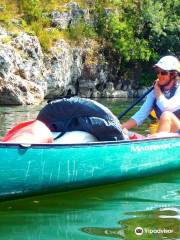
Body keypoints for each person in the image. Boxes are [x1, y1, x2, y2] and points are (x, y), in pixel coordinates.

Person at [122, 55, 180, 135]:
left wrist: (157, 89)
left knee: (167, 115)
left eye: (163, 73)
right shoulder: (154, 92)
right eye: (158, 72)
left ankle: (157, 142)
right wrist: (122, 127)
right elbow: (141, 114)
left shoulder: (176, 89)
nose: (159, 75)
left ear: (173, 74)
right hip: (169, 135)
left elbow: (166, 107)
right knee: (124, 131)